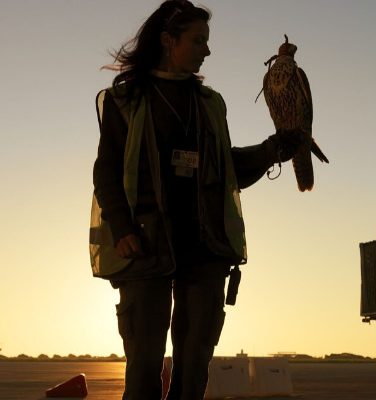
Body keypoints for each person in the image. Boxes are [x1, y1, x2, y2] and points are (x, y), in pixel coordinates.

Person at [90, 1, 298, 398]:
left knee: (194, 369)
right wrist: (121, 228)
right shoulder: (125, 99)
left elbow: (225, 170)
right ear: (169, 41)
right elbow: (107, 171)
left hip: (205, 248)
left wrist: (274, 149)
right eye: (199, 40)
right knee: (143, 368)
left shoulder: (209, 103)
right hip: (145, 246)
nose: (207, 50)